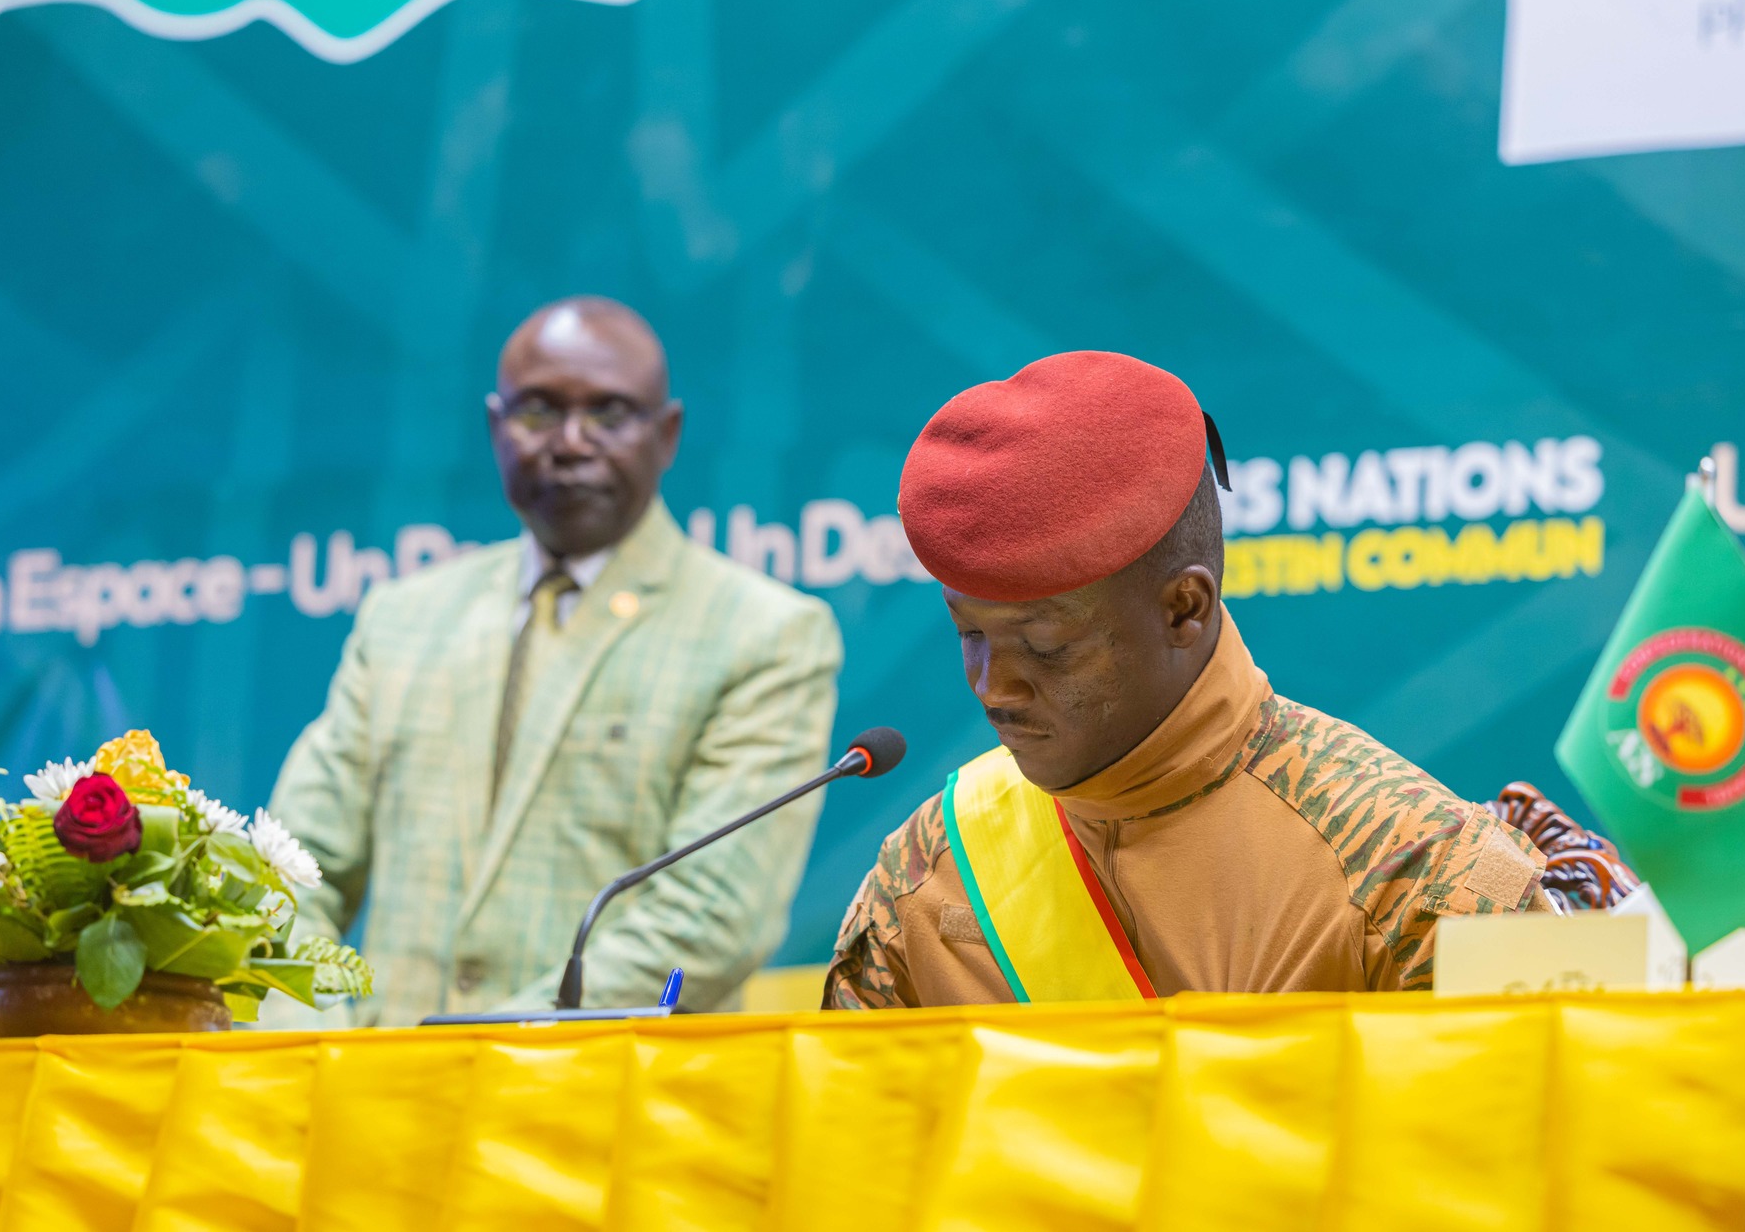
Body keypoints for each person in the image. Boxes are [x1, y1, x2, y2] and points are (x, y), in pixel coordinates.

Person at [825, 351, 1548, 1009]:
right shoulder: (926, 876)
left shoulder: (1414, 875)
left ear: (1183, 609)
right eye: (969, 634)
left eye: (1045, 643)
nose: (995, 687)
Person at [271, 296, 842, 1024]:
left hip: (608, 1110)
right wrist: (324, 1045)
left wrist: (470, 1054)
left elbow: (709, 919)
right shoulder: (402, 619)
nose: (571, 442)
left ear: (667, 436)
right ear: (494, 427)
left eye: (609, 415)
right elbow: (292, 871)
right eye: (539, 412)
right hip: (379, 1103)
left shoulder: (767, 634)